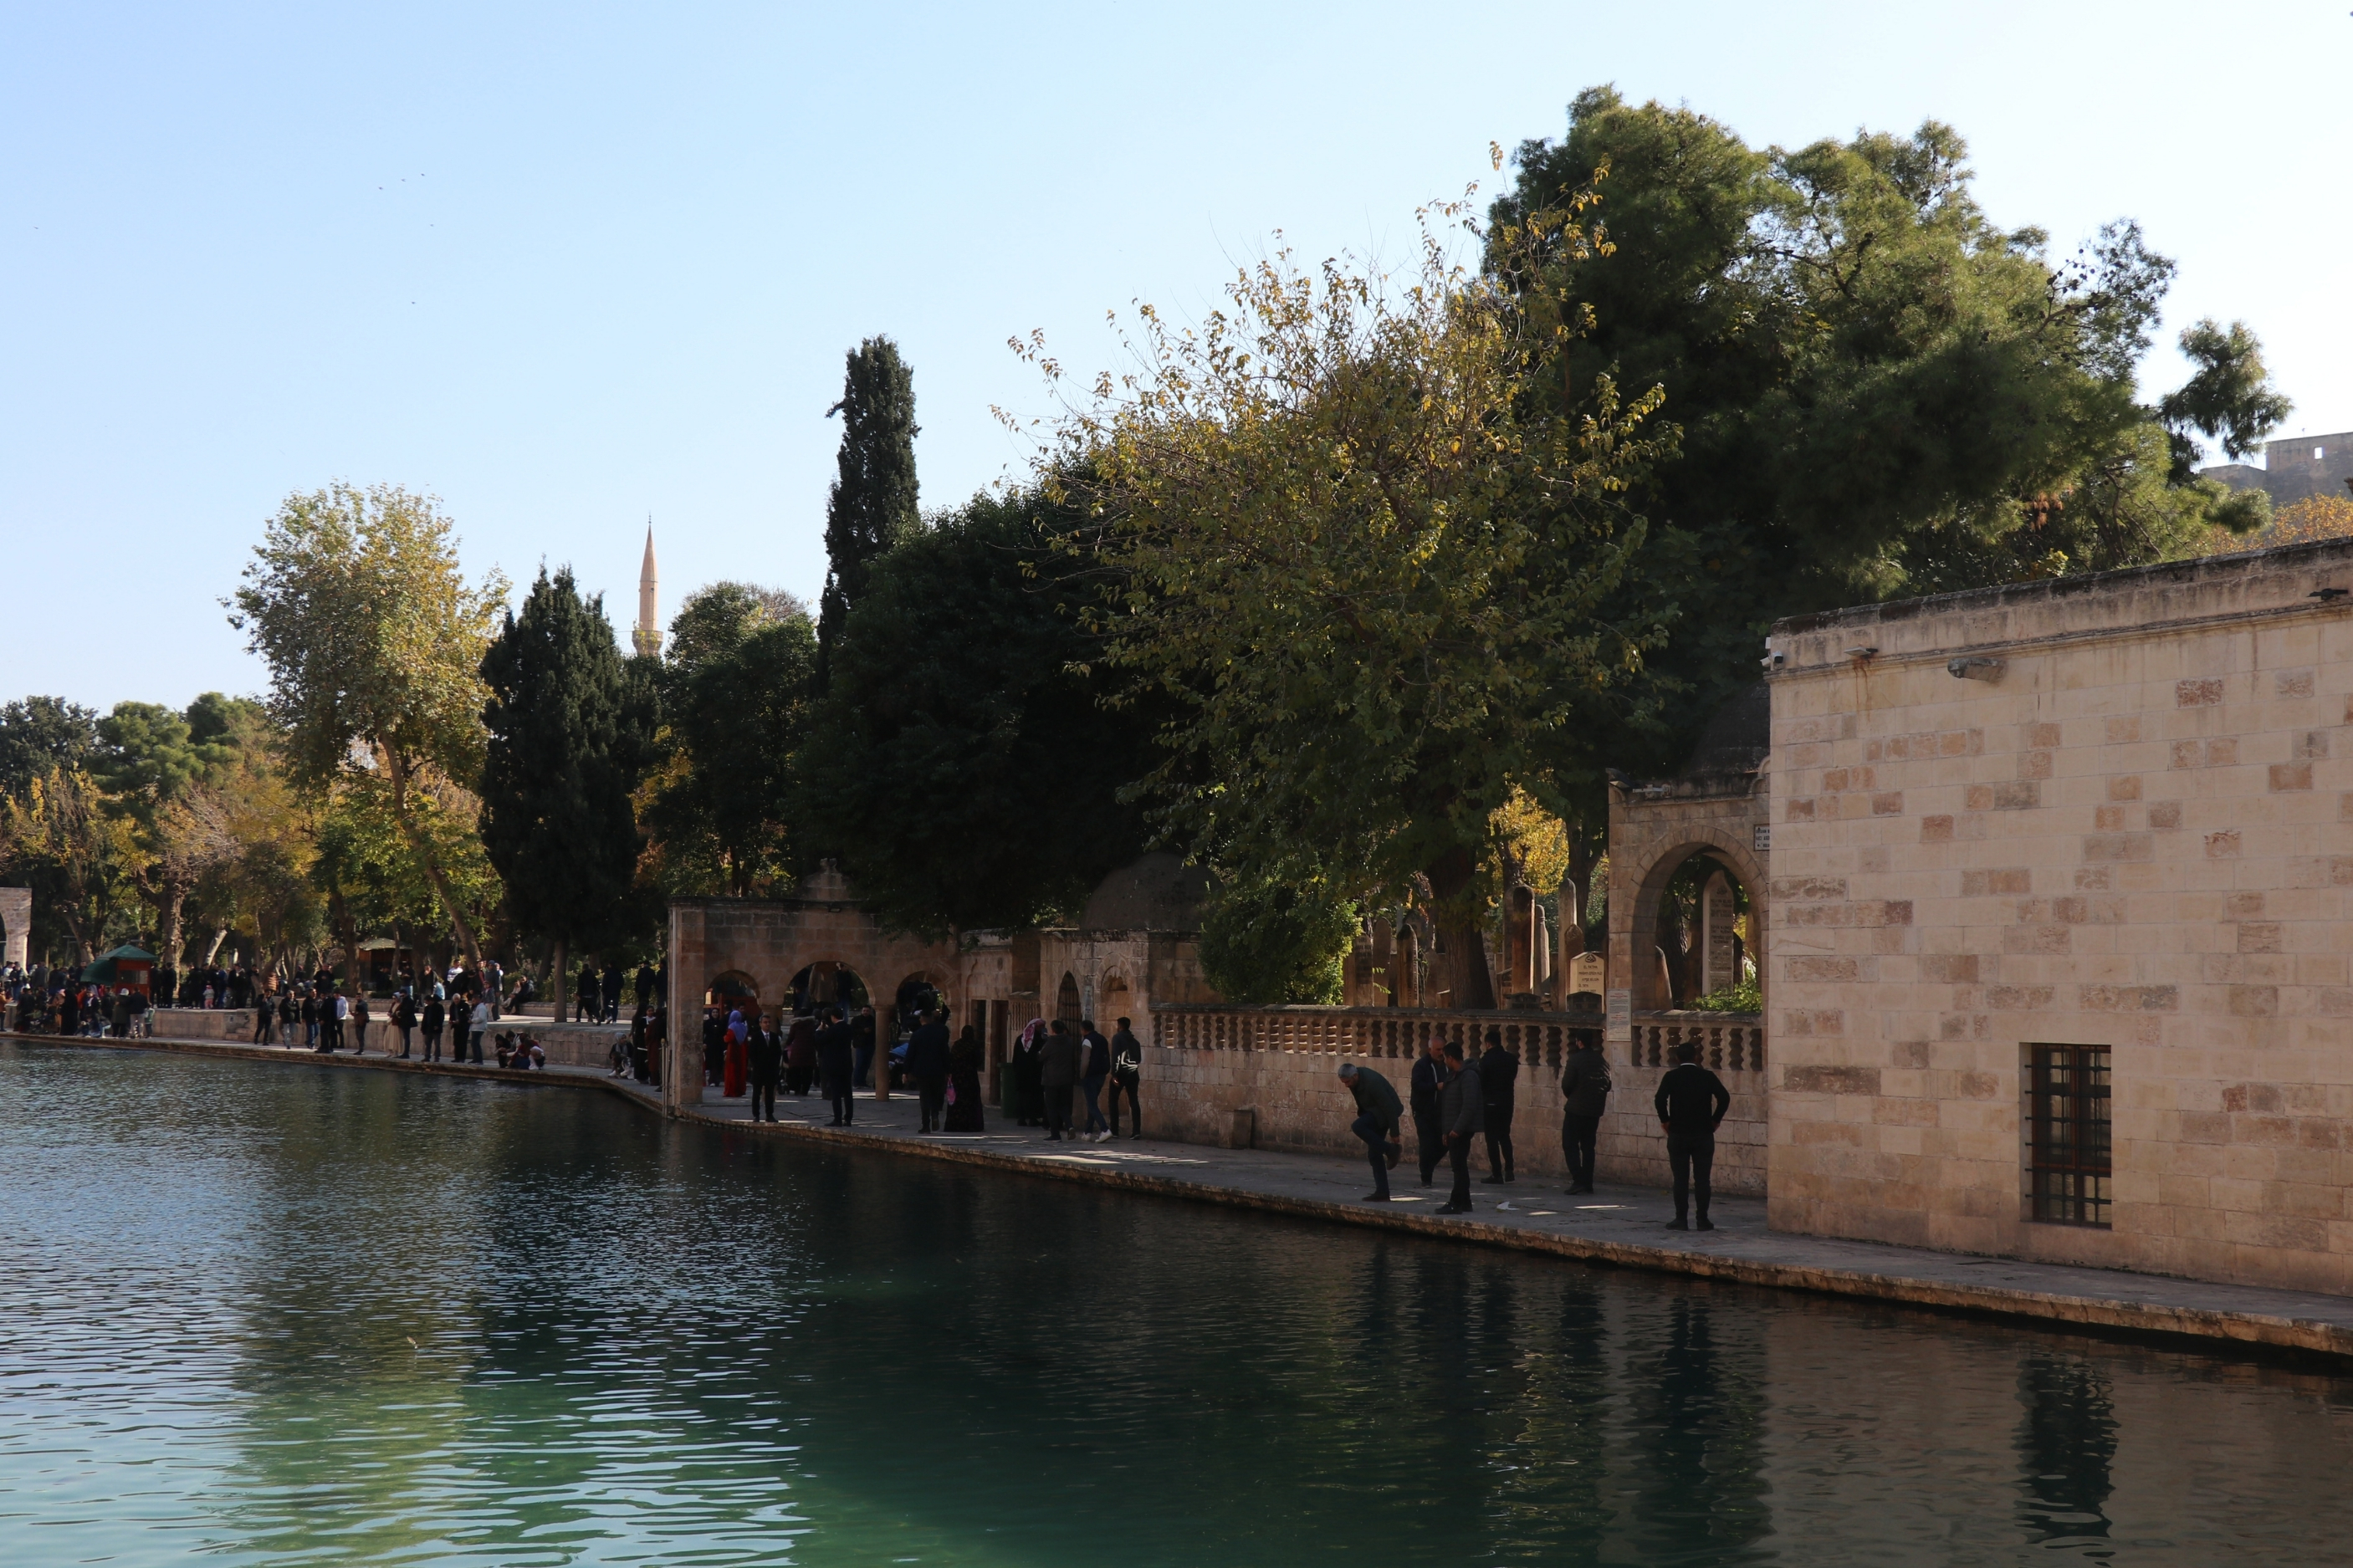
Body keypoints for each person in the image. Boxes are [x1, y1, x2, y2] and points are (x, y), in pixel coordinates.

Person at [1655, 1040, 1732, 1231]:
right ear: (1697, 1058)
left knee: (1680, 1179)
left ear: (1677, 1058)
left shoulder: (1671, 1077)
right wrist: (1715, 1119)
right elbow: (1724, 1097)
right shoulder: (1707, 1076)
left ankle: (1681, 1219)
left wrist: (1665, 1120)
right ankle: (1702, 1219)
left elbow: (1659, 1099)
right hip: (1703, 1134)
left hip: (1679, 1133)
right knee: (1703, 1180)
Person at [1338, 1060, 1404, 1202]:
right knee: (1374, 1155)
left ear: (1355, 1076)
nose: (1346, 1085)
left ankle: (1391, 1150)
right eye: (1344, 1082)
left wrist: (1395, 1132)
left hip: (1387, 1111)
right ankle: (1382, 1192)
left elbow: (1389, 1108)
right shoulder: (1354, 1082)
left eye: (1348, 1082)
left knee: (1358, 1126)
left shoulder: (1372, 1082)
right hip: (1374, 1111)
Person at [1558, 1028, 1610, 1194]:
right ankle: (1587, 1182)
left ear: (1579, 1042)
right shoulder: (1601, 1060)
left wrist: (1573, 1097)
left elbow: (1566, 1084)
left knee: (1569, 1144)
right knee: (1588, 1147)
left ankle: (1579, 1178)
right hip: (1594, 1110)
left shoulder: (1575, 1060)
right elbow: (1607, 1084)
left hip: (1576, 1109)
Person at [1435, 1039, 1485, 1214]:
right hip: (1453, 1128)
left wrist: (1457, 1128)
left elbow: (1469, 1105)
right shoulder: (1454, 1076)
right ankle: (1465, 1201)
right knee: (1458, 1165)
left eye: (1445, 1058)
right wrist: (1445, 1130)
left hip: (1461, 1129)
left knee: (1459, 1166)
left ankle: (1456, 1202)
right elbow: (1449, 1105)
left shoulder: (1468, 1076)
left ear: (1450, 1058)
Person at [1479, 1027, 1519, 1185]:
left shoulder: (1486, 1060)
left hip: (1490, 1102)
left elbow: (1482, 1082)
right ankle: (1509, 1169)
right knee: (1504, 1135)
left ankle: (1497, 1173)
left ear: (1488, 1044)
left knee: (1492, 1139)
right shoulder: (1511, 1059)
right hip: (1507, 1102)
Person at [1409, 1037, 1450, 1188]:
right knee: (1426, 1144)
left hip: (1440, 1112)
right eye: (1438, 1050)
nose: (1441, 1053)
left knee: (1445, 1142)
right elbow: (1417, 1086)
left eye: (1442, 1050)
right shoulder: (1421, 1066)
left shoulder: (1446, 1066)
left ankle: (1427, 1165)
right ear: (1430, 1050)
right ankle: (1426, 1178)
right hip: (1423, 1111)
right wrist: (1435, 1087)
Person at [908, 1008, 952, 1132]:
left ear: (921, 1020)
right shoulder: (940, 1033)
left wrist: (906, 1071)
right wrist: (948, 1070)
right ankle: (935, 1114)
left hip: (922, 1070)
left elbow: (911, 1054)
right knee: (936, 1094)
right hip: (938, 1069)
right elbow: (945, 1053)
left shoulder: (917, 1034)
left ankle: (926, 1125)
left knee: (925, 1097)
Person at [1038, 1019, 1080, 1141]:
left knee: (1051, 1107)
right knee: (1063, 1106)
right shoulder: (1069, 1041)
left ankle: (1055, 1134)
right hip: (1066, 1079)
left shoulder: (1051, 1042)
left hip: (1051, 1080)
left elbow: (1040, 1057)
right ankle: (1070, 1126)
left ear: (1053, 1030)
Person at [816, 1007, 856, 1126]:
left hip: (834, 1065)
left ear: (833, 1017)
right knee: (848, 1093)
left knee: (836, 1093)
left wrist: (819, 1031)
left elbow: (820, 1041)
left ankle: (837, 1119)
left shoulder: (833, 1030)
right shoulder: (849, 1028)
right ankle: (848, 1119)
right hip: (847, 1064)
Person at [944, 1024, 986, 1132]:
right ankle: (971, 1125)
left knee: (957, 1100)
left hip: (957, 1077)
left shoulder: (957, 1045)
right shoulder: (974, 1045)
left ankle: (955, 1124)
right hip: (970, 1077)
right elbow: (978, 1061)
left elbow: (951, 1059)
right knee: (971, 1100)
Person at [1108, 1017, 1143, 1139]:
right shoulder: (1135, 1042)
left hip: (1121, 1073)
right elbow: (1138, 1059)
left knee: (1113, 1100)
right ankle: (1136, 1130)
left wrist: (1114, 1074)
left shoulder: (1117, 1038)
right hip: (1133, 1073)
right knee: (1134, 1100)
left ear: (1120, 1026)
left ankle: (1114, 1130)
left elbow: (1116, 1057)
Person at [1078, 1019, 1112, 1142]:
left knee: (1091, 1104)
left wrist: (1082, 1075)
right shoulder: (1102, 1038)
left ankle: (1104, 1129)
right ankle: (1088, 1132)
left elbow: (1085, 1061)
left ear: (1084, 1030)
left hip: (1090, 1076)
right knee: (1091, 1103)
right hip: (1101, 1075)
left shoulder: (1087, 1041)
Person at [748, 1009, 782, 1122]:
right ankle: (756, 1115)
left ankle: (769, 1115)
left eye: (769, 1022)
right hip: (759, 1070)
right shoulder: (756, 1037)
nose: (767, 1024)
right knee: (756, 1094)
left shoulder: (774, 1037)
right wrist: (756, 1065)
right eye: (765, 1022)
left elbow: (778, 1053)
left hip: (771, 1070)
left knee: (769, 1095)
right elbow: (752, 1053)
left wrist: (775, 1066)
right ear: (760, 1023)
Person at [1011, 1019, 1046, 1126]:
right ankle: (1032, 1118)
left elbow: (1015, 1058)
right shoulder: (1039, 1040)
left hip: (1022, 1073)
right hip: (1034, 1074)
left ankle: (1022, 1118)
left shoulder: (1020, 1039)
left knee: (1023, 1096)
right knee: (1033, 1096)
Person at [785, 1013, 816, 1096]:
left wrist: (785, 1045)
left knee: (796, 1071)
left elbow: (790, 1038)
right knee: (808, 1071)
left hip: (797, 1051)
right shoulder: (812, 1025)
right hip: (809, 1051)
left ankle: (797, 1089)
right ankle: (805, 1090)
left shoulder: (795, 1025)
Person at [723, 1008, 749, 1098]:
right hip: (742, 1050)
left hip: (733, 1050)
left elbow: (729, 1038)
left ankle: (731, 1091)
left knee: (731, 1071)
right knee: (740, 1071)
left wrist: (724, 1037)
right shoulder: (743, 1027)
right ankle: (739, 1090)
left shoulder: (732, 1027)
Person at [391, 991, 416, 1059]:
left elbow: (407, 1010)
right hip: (403, 1021)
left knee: (407, 1037)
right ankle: (404, 1052)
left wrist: (399, 1013)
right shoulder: (404, 1001)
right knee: (405, 1037)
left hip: (407, 1021)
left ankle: (406, 1053)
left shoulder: (409, 1001)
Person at [421, 993, 445, 1062]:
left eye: (427, 1002)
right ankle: (427, 1056)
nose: (426, 1003)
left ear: (430, 1001)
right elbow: (425, 1018)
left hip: (436, 1029)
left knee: (437, 1044)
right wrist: (423, 1027)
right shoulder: (427, 1008)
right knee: (427, 1043)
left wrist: (438, 1025)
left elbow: (441, 1017)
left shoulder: (439, 1007)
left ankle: (437, 1057)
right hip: (428, 1028)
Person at [469, 993, 491, 1065]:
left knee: (475, 1044)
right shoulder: (477, 1007)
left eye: (474, 1001)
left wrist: (472, 1021)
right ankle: (476, 1059)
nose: (473, 1002)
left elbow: (481, 1018)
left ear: (478, 1000)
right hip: (475, 1028)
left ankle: (479, 1060)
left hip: (479, 1028)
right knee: (475, 1044)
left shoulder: (481, 1008)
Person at [350, 991, 371, 1055]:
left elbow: (364, 1011)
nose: (358, 998)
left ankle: (361, 1049)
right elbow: (357, 1013)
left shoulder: (363, 1004)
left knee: (360, 1036)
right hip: (358, 1022)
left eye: (359, 997)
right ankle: (360, 1049)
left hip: (361, 1022)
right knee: (358, 1036)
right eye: (357, 997)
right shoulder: (359, 1004)